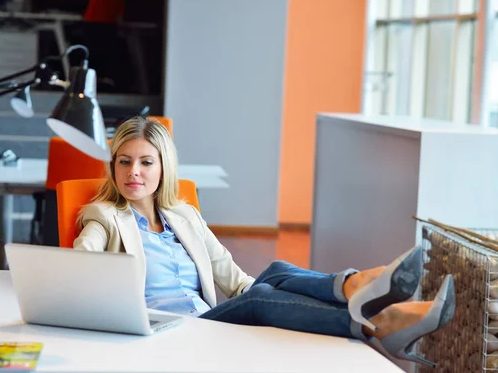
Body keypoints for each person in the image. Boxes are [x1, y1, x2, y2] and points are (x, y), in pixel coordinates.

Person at [73, 116, 455, 367]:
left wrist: (275, 288)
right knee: (259, 299)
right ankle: (376, 313)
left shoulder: (184, 216)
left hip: (204, 321)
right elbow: (78, 271)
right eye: (124, 161)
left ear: (164, 167)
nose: (133, 172)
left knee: (273, 273)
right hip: (163, 331)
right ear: (113, 166)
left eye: (145, 162)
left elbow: (235, 281)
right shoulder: (105, 217)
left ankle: (360, 291)